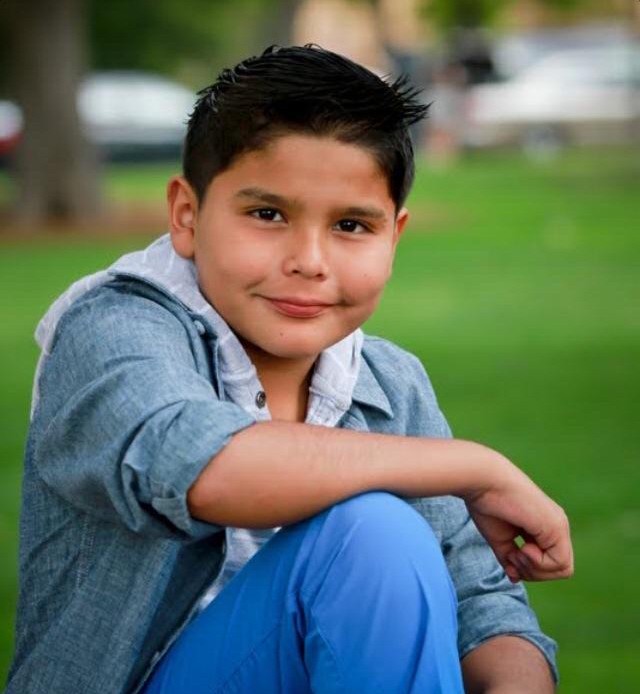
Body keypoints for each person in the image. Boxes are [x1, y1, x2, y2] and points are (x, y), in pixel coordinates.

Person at [6, 45, 573, 694]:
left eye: (351, 225)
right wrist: (475, 467)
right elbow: (202, 468)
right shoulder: (113, 328)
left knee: (388, 542)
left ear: (394, 236)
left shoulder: (391, 382)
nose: (309, 260)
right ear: (187, 215)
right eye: (268, 214)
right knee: (375, 535)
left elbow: (484, 608)